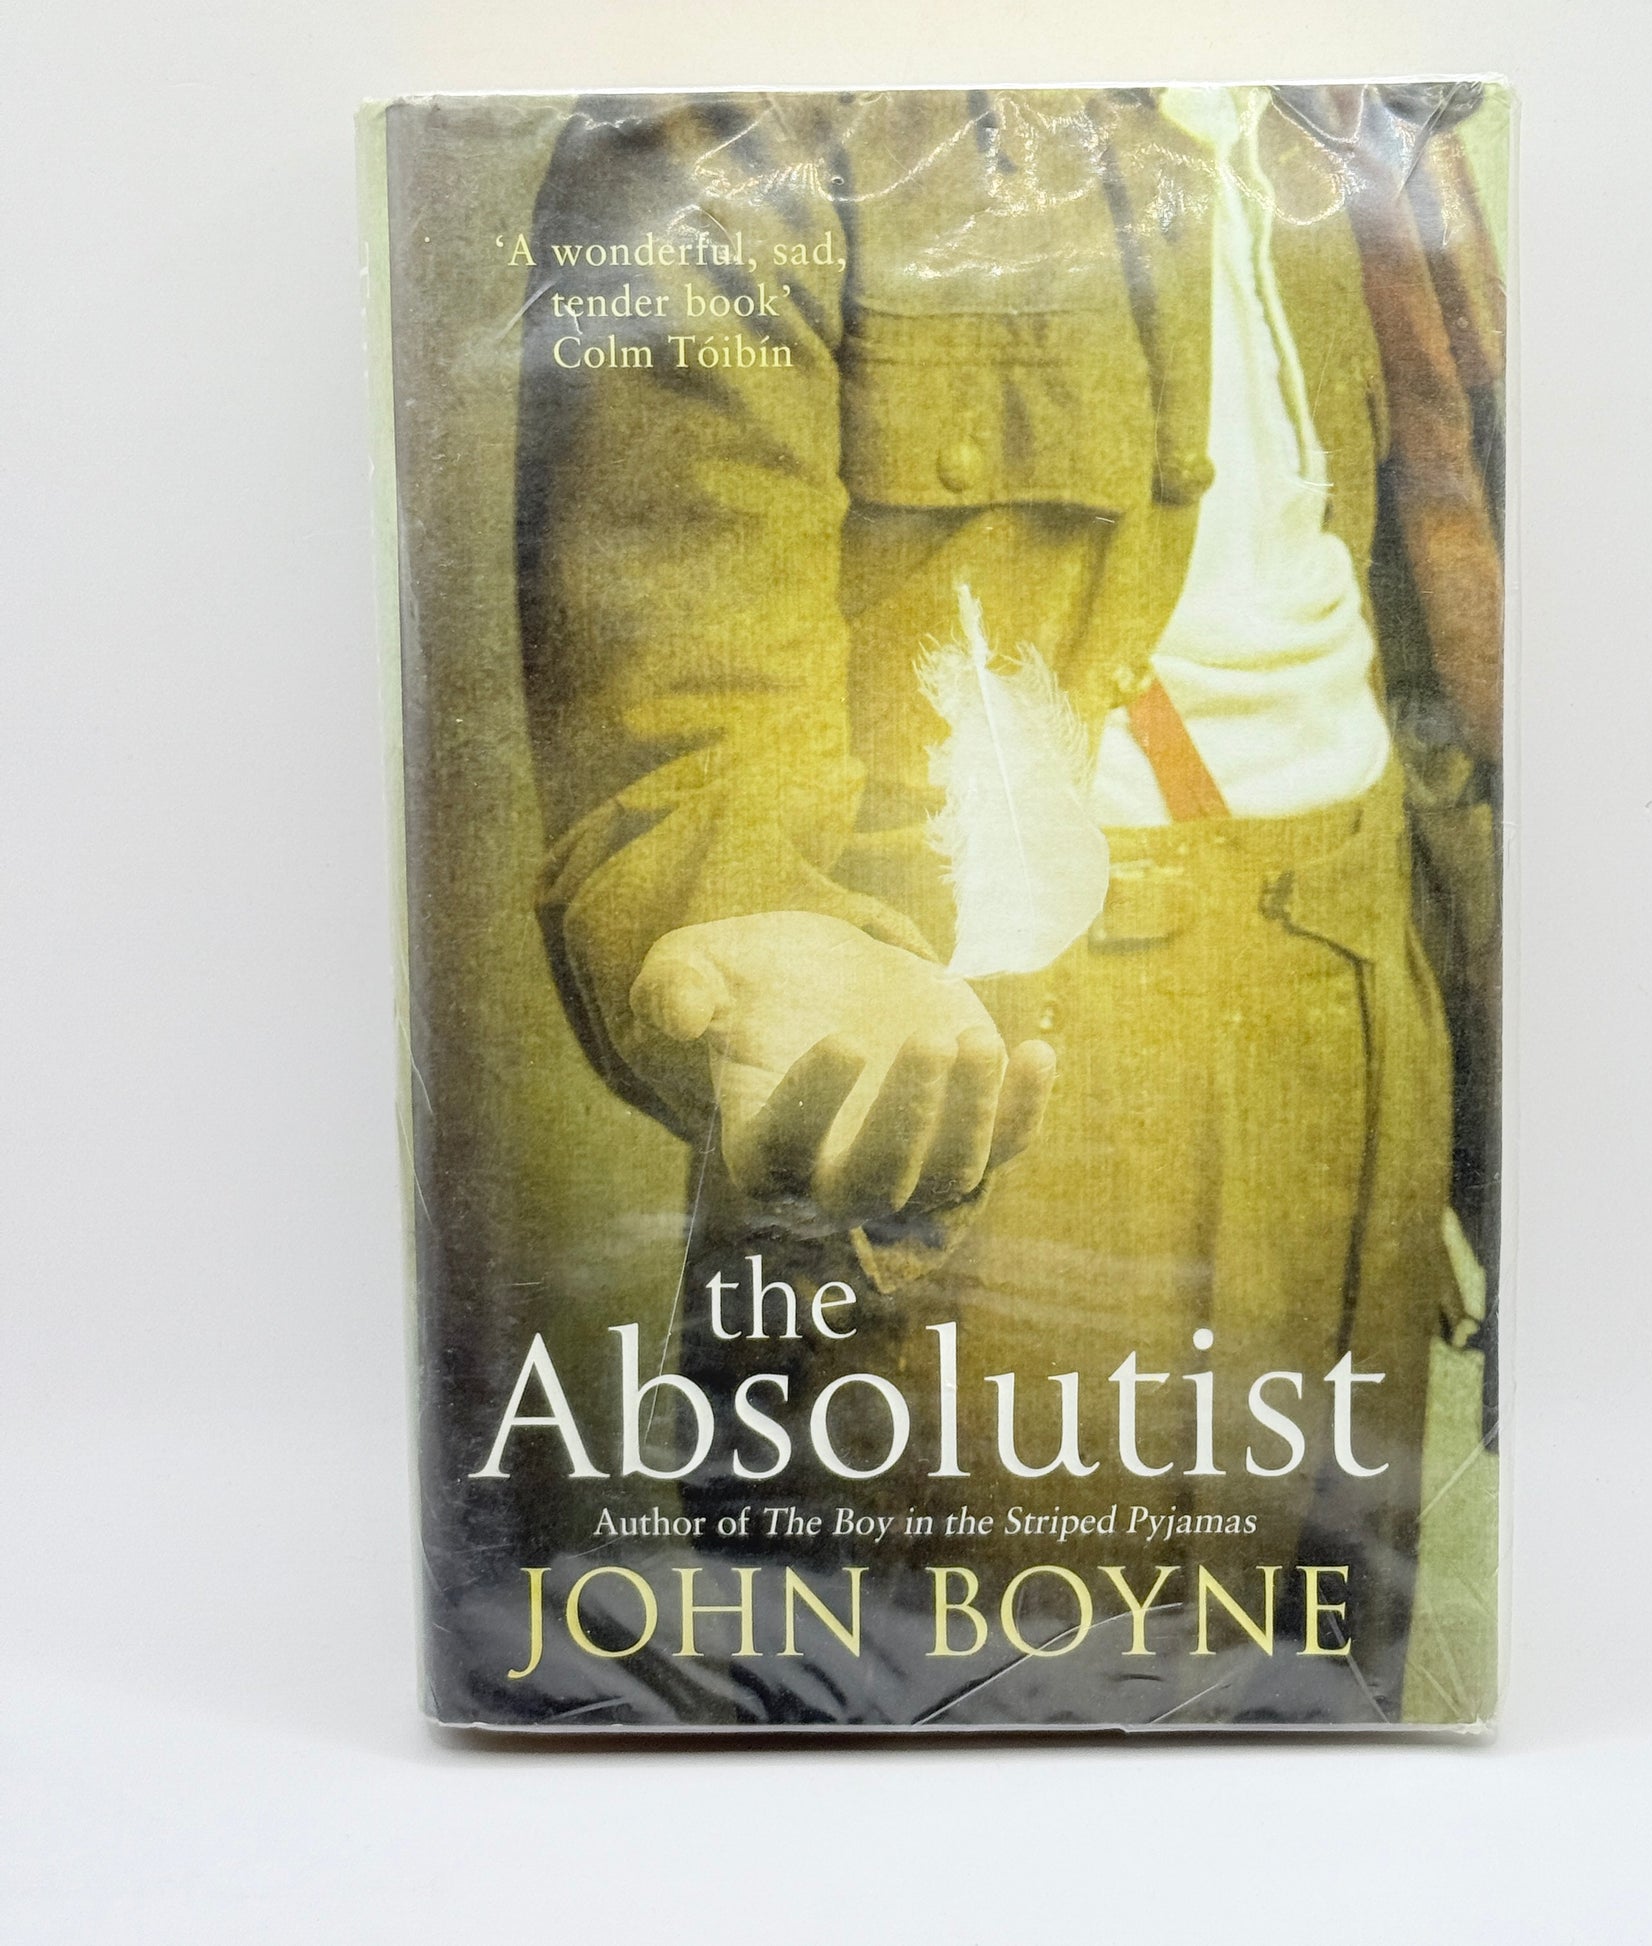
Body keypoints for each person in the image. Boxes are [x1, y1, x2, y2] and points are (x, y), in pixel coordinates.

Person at [515, 83, 1502, 1722]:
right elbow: (677, 740)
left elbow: (1441, 663)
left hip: (1364, 1034)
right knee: (968, 1752)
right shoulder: (737, 122)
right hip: (1010, 1087)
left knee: (1318, 1749)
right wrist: (773, 948)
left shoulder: (1347, 113)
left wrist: (1511, 1146)